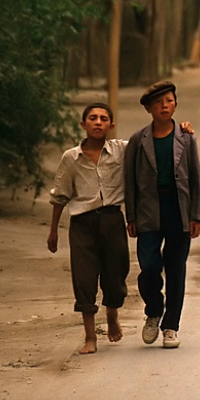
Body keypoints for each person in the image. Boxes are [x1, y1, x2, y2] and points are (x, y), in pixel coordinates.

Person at [125, 81, 200, 349]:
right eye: (158, 103)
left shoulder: (186, 137)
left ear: (176, 105)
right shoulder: (138, 140)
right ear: (148, 108)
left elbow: (195, 179)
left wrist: (196, 216)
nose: (164, 106)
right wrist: (131, 216)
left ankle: (171, 326)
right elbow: (129, 181)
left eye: (169, 101)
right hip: (148, 209)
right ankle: (154, 310)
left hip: (179, 209)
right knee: (148, 265)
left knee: (176, 268)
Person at [47, 103, 129, 355]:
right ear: (83, 124)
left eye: (104, 118)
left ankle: (112, 314)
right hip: (82, 224)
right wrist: (53, 232)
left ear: (111, 125)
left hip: (113, 221)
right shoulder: (71, 157)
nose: (98, 122)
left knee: (115, 276)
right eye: (92, 118)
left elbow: (150, 141)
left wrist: (182, 129)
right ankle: (90, 336)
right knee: (83, 279)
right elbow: (60, 195)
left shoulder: (122, 151)